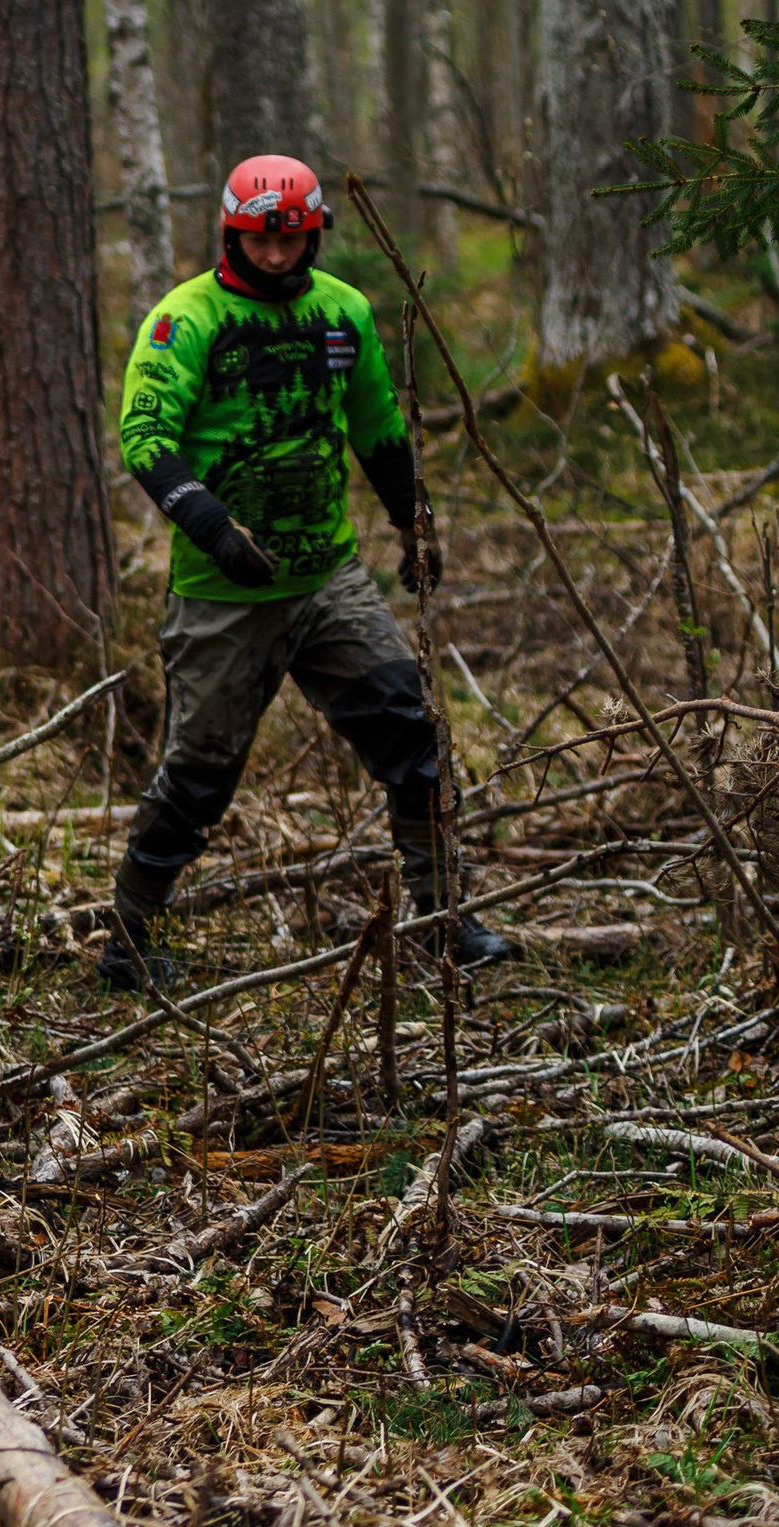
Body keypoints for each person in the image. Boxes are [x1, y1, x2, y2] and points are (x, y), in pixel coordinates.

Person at [105, 153, 511, 987]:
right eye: (261, 240)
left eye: (293, 239)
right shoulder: (185, 320)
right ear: (233, 232)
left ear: (316, 233)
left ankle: (440, 916)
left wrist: (415, 524)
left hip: (328, 579)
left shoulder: (345, 313)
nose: (278, 256)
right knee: (200, 774)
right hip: (223, 591)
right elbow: (145, 436)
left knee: (412, 729)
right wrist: (214, 530)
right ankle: (130, 934)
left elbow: (378, 427)